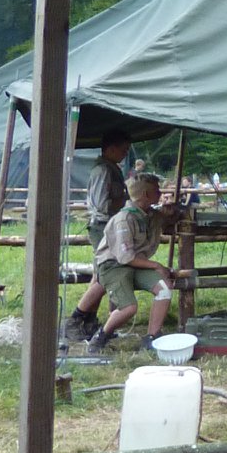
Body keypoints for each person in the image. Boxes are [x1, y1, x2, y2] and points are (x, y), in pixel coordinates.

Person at [86, 172, 173, 352]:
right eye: (156, 191)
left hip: (136, 265)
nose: (160, 194)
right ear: (146, 195)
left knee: (164, 290)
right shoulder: (124, 219)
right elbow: (125, 257)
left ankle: (151, 338)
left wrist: (173, 211)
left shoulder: (148, 214)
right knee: (129, 308)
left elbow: (166, 218)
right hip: (113, 266)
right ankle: (100, 337)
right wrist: (157, 265)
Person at [65, 130, 132, 340]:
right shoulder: (104, 171)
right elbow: (102, 206)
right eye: (122, 150)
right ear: (110, 149)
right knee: (104, 275)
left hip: (109, 226)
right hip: (104, 227)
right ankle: (75, 320)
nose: (124, 154)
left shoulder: (111, 168)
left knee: (101, 275)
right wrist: (124, 204)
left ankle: (89, 320)